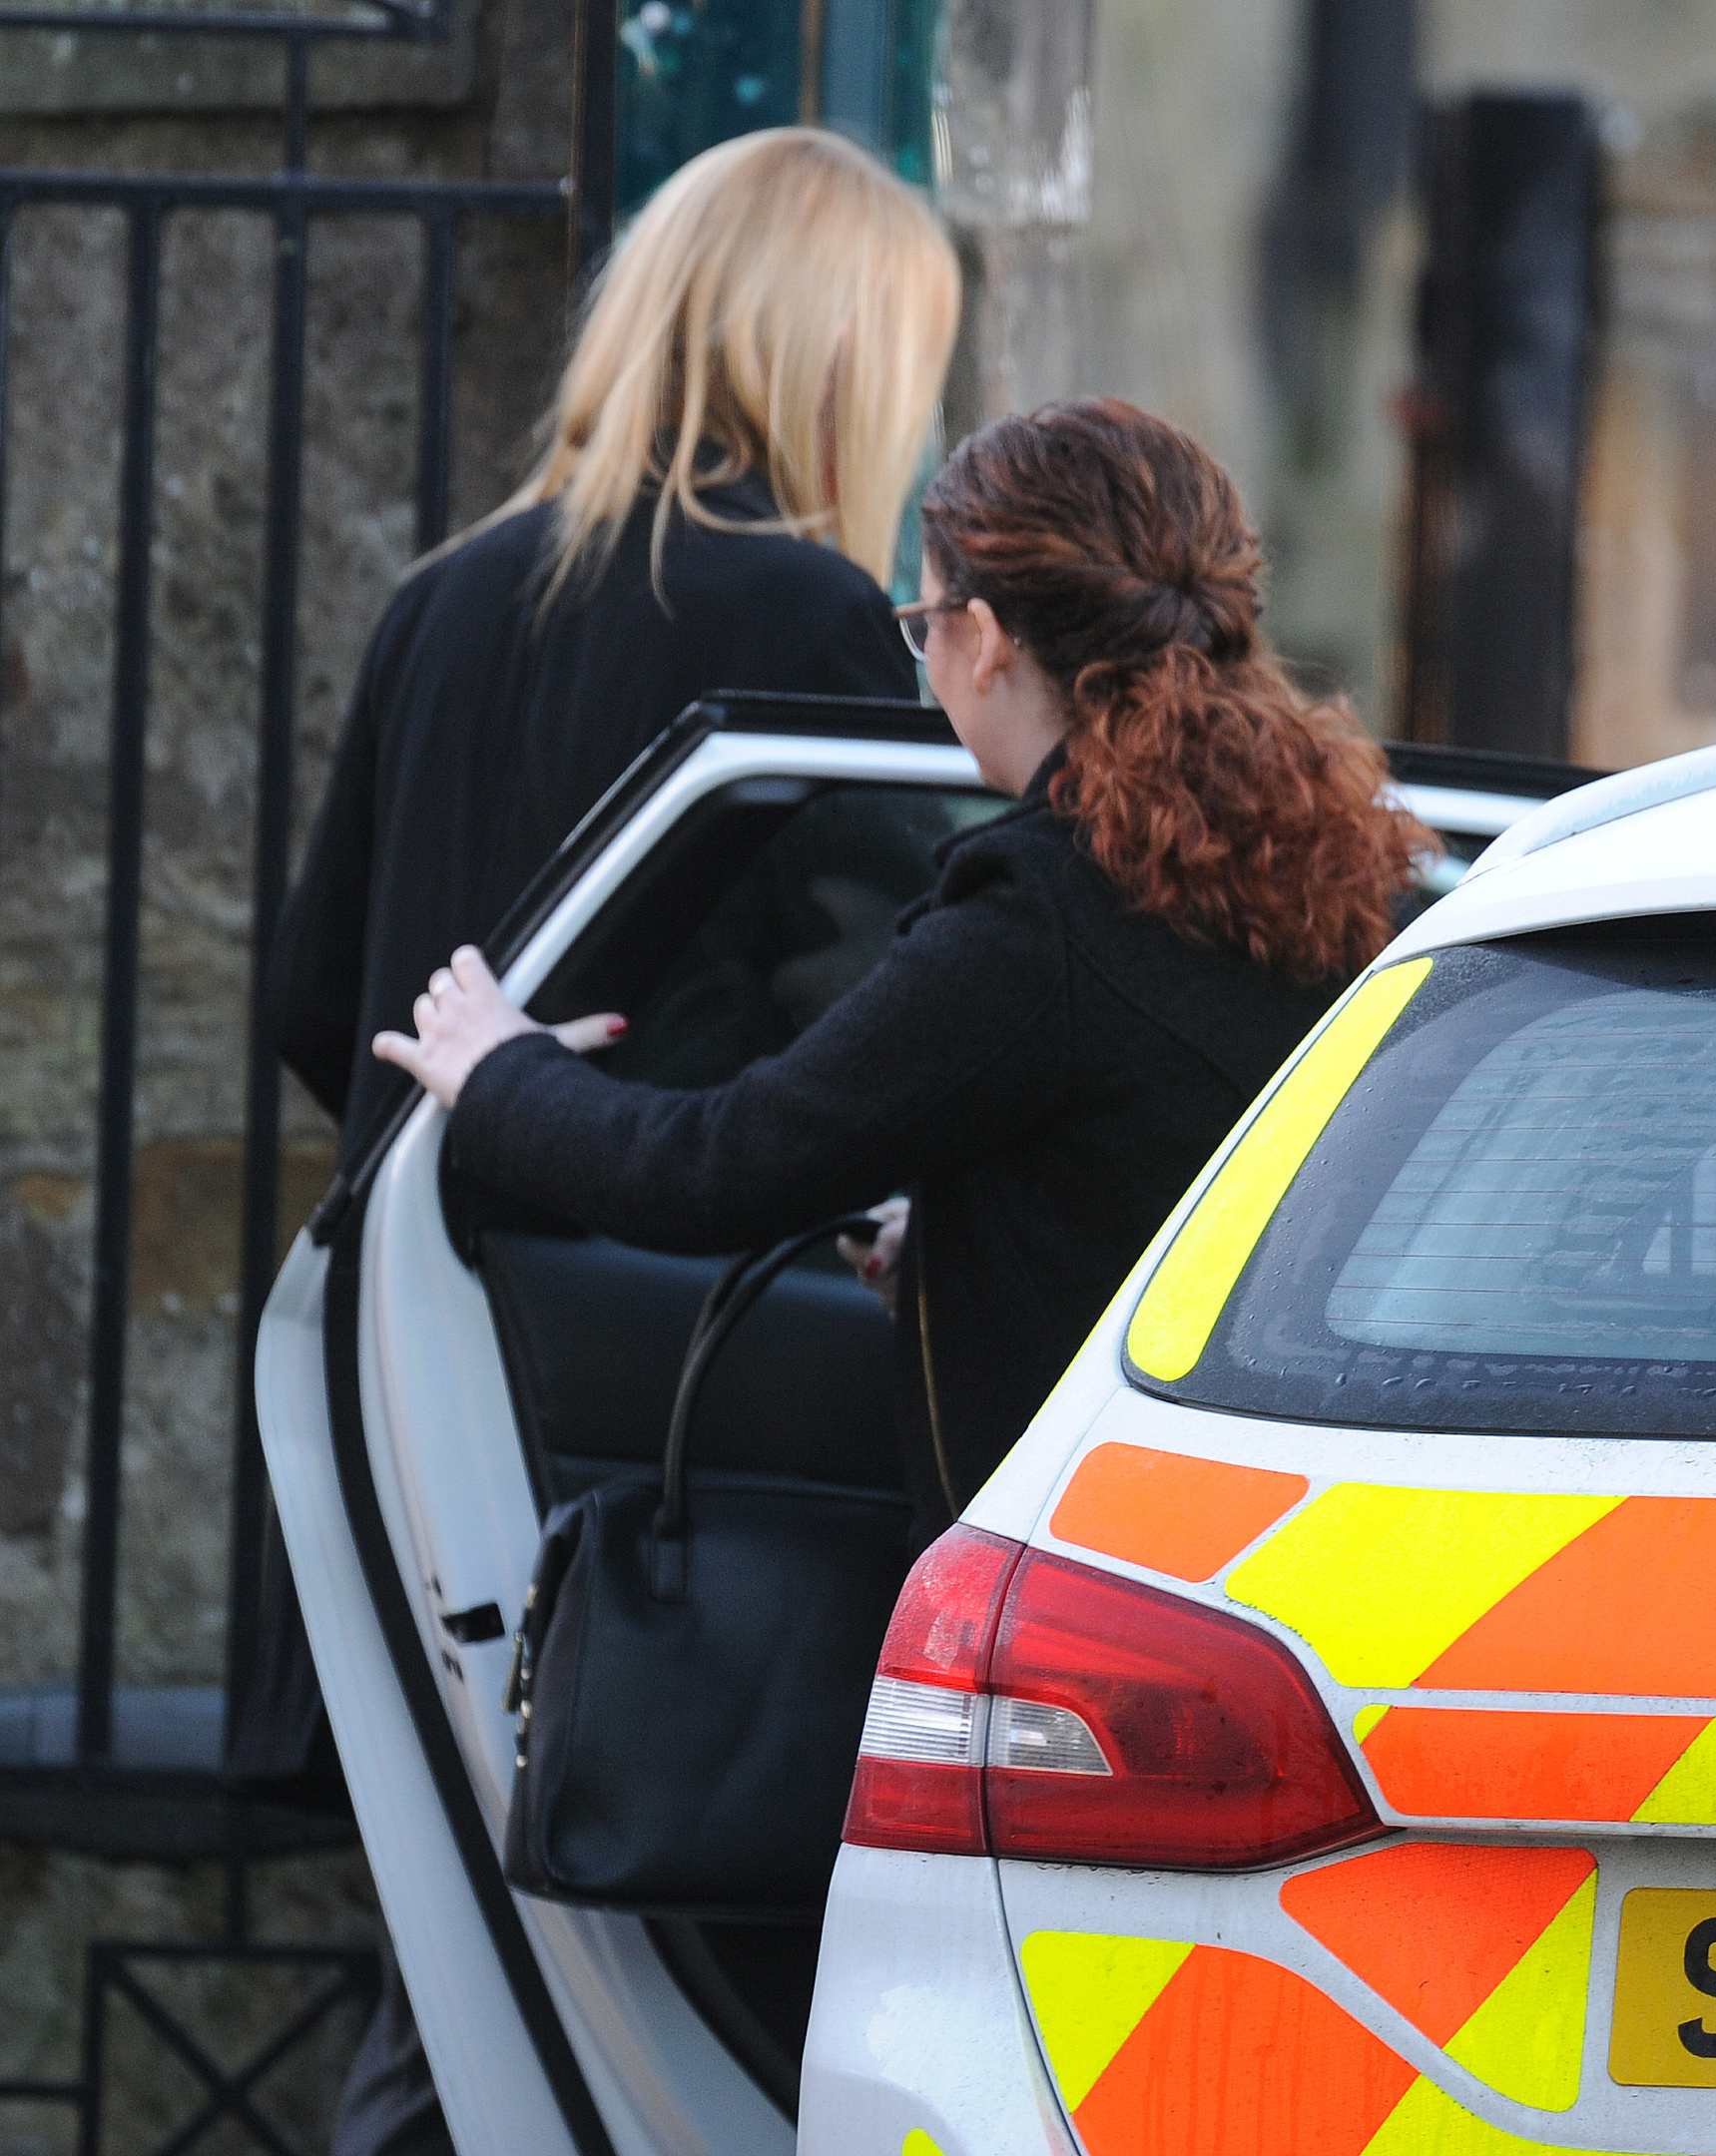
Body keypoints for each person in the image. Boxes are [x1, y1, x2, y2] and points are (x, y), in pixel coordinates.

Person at [247, 126, 960, 2156]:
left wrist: (484, 1139)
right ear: (837, 350)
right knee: (636, 2034)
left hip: (416, 1396)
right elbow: (888, 1045)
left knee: (465, 2001)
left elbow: (320, 1009)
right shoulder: (813, 618)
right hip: (664, 1450)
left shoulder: (443, 600)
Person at [373, 396, 1432, 1536]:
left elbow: (715, 1168)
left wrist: (499, 1074)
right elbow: (1180, 1172)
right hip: (1277, 1510)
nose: (925, 654)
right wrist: (968, 1240)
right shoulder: (1332, 858)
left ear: (981, 639)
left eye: (922, 622)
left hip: (1081, 1553)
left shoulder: (1042, 911)